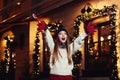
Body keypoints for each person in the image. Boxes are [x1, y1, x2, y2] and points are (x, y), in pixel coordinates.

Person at [32, 13, 97, 80]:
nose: (63, 35)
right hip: (55, 76)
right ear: (57, 37)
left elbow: (77, 42)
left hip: (67, 76)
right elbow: (49, 39)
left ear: (67, 36)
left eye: (65, 33)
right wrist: (46, 30)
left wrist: (85, 33)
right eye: (60, 34)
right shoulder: (53, 48)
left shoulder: (69, 49)